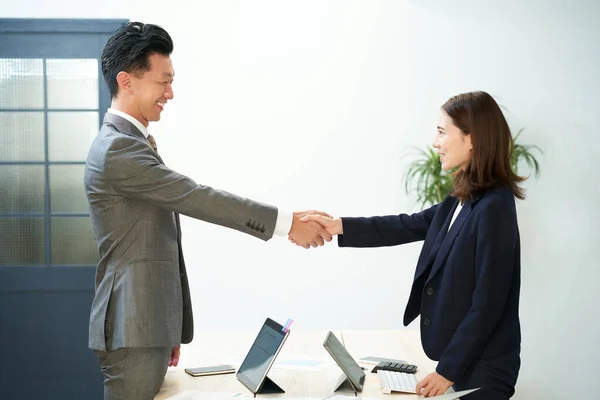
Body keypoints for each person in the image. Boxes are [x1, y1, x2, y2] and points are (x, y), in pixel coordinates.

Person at [84, 22, 331, 400]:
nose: (171, 92)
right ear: (127, 81)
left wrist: (168, 325)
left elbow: (156, 240)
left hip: (144, 324)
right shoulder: (117, 149)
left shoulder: (129, 142)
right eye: (163, 81)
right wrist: (287, 223)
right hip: (131, 327)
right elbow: (196, 197)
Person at [300, 91, 523, 399]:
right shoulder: (464, 197)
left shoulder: (495, 206)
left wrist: (448, 371)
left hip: (483, 372)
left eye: (442, 132)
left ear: (472, 139)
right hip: (464, 364)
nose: (435, 142)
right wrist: (340, 226)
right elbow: (407, 224)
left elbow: (488, 303)